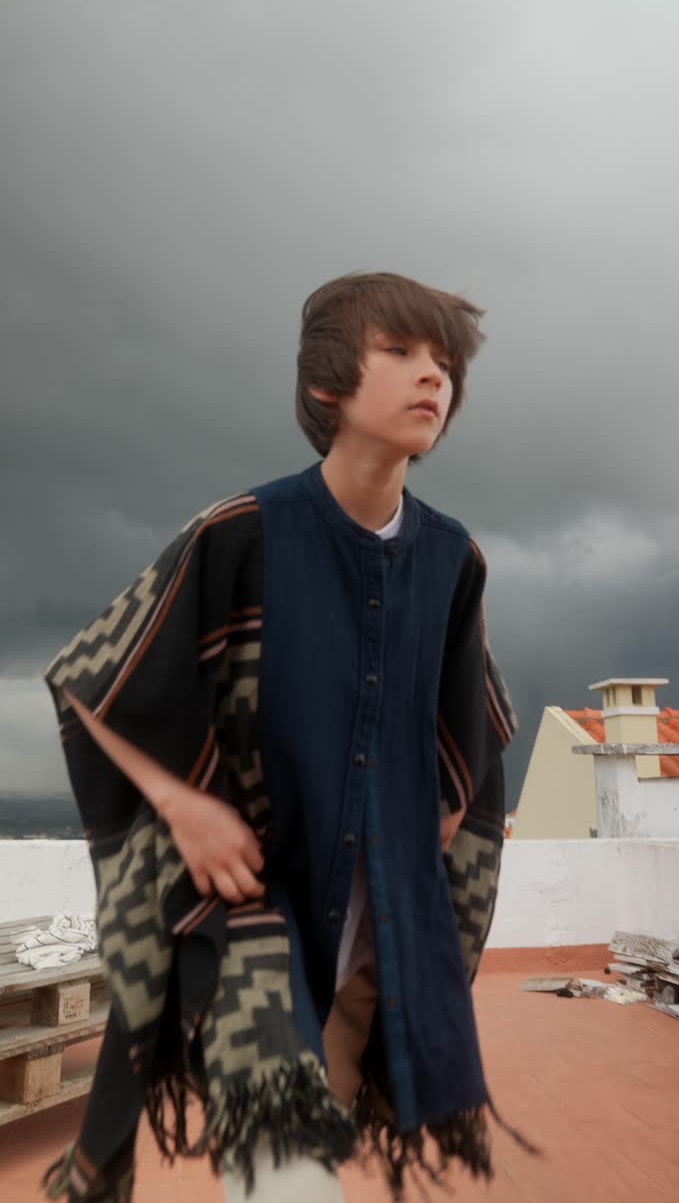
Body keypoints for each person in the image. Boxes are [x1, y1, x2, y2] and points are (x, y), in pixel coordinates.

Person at [43, 272, 528, 1203]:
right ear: (326, 388)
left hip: (376, 932)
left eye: (445, 363)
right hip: (248, 918)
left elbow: (477, 722)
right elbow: (92, 675)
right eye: (402, 353)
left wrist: (449, 806)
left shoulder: (454, 558)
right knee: (288, 1172)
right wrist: (185, 808)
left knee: (316, 1144)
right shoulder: (244, 531)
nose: (434, 377)